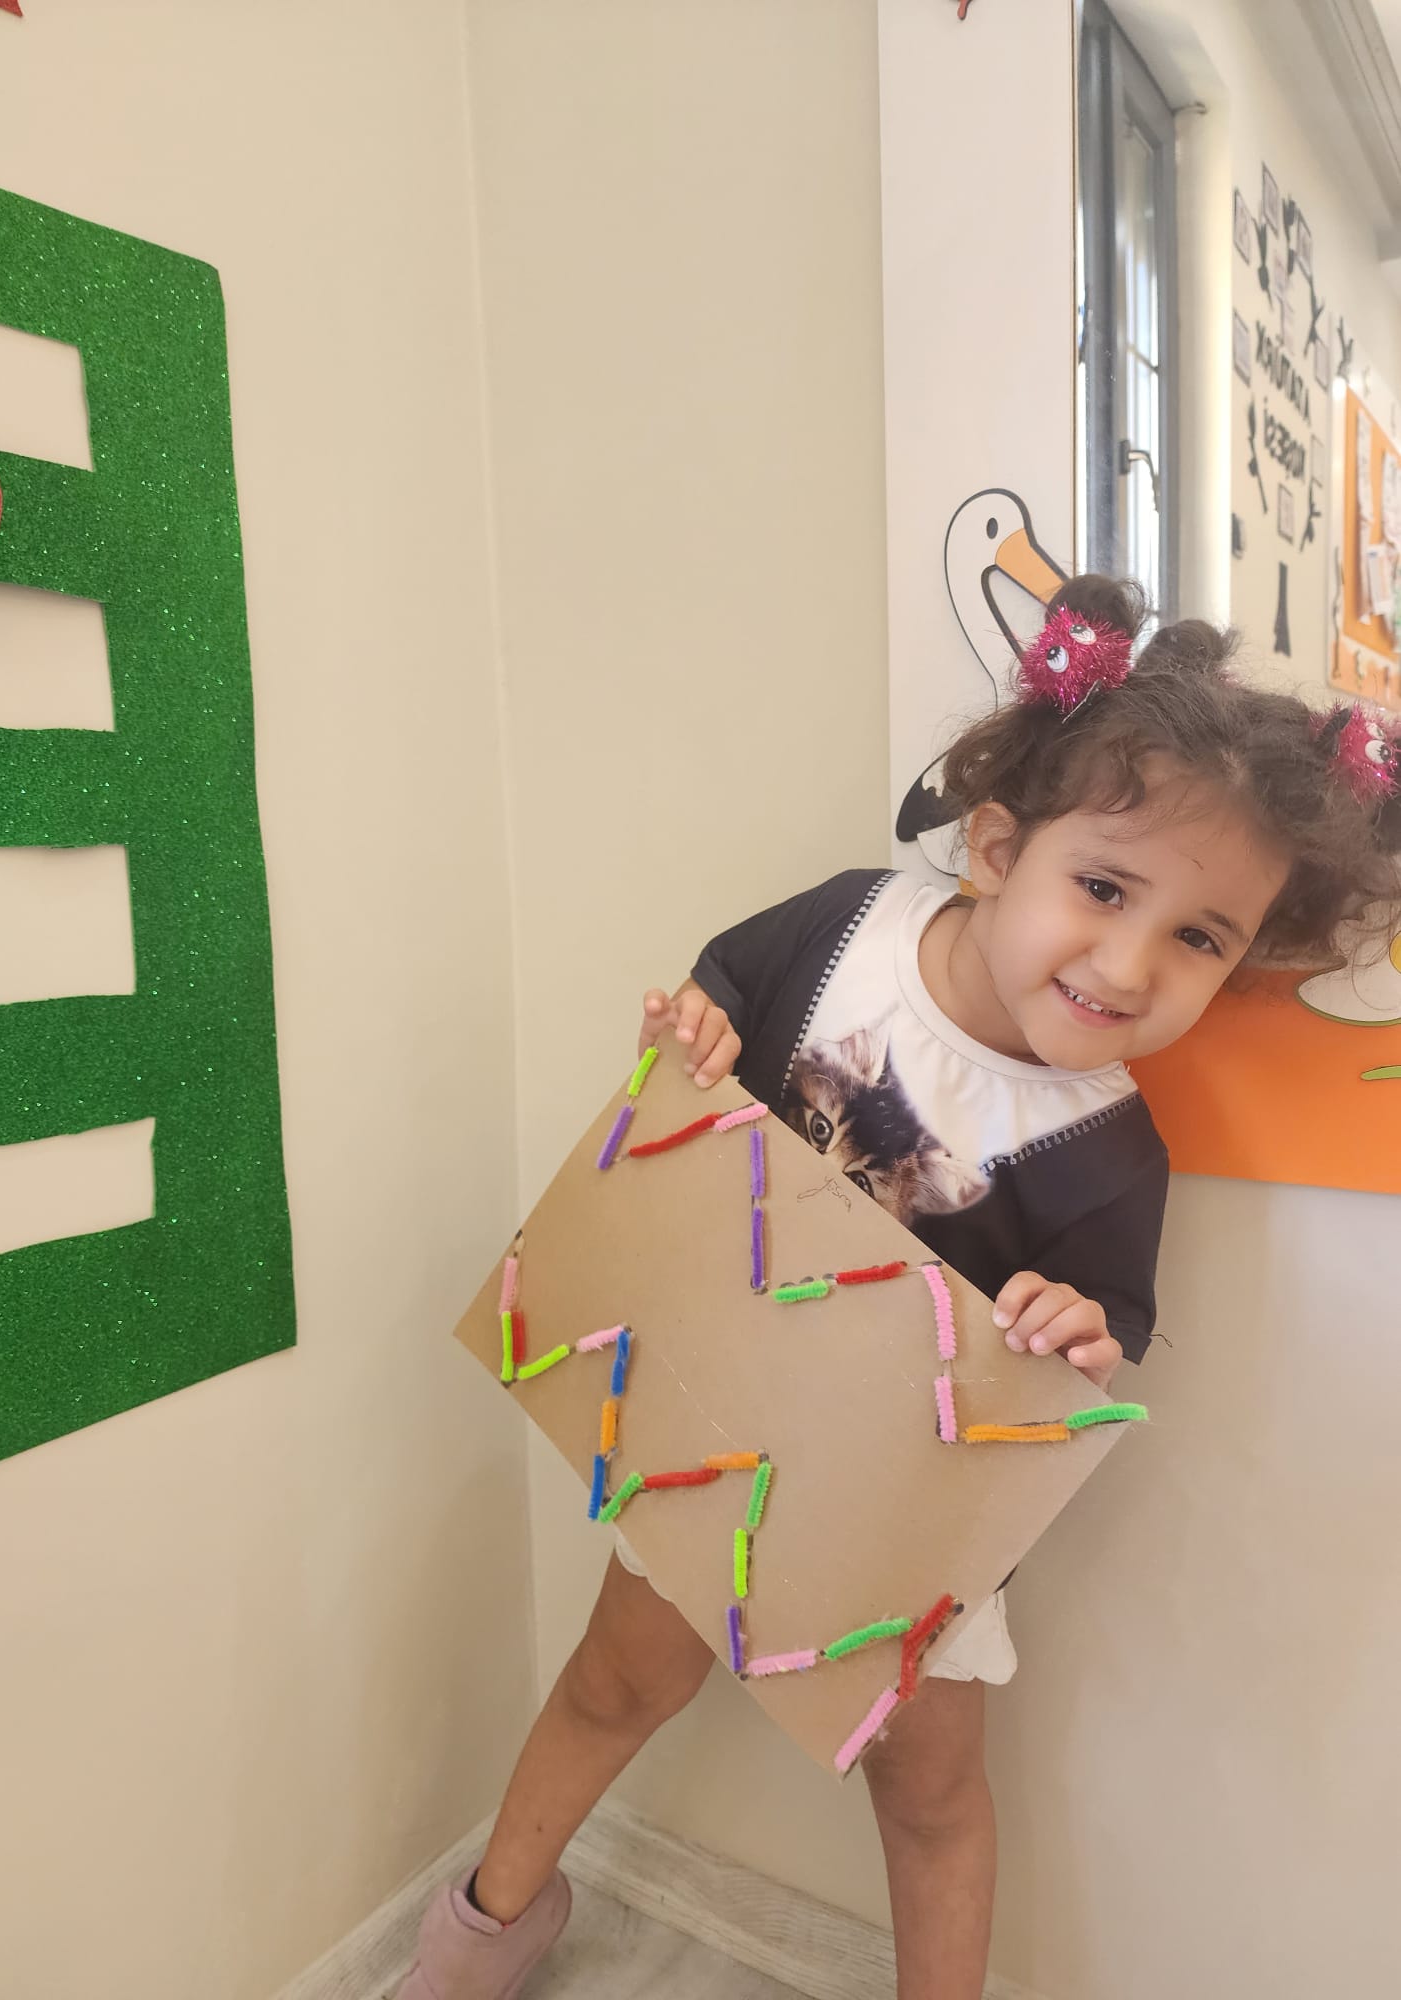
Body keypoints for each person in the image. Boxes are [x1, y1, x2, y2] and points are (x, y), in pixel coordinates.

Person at [399, 576, 1400, 2000]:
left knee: (929, 1794)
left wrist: (1075, 1332)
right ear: (997, 847)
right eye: (1103, 888)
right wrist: (698, 1031)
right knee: (615, 1681)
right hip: (707, 1426)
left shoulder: (1111, 1148)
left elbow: (1108, 1329)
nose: (1129, 965)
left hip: (905, 1520)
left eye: (1200, 937)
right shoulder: (852, 928)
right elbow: (727, 986)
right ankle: (488, 1926)